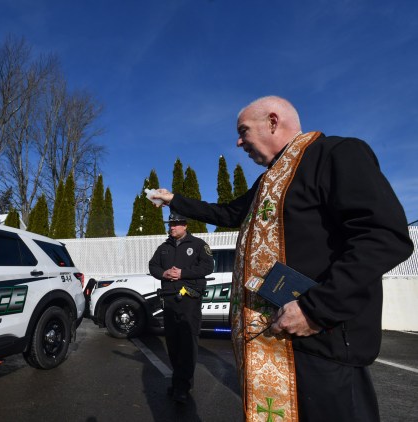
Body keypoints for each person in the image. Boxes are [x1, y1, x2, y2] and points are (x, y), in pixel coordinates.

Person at [150, 96, 414, 421]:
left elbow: (384, 236)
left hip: (320, 339)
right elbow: (229, 212)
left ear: (273, 121)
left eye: (243, 130)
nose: (238, 141)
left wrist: (315, 308)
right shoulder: (267, 182)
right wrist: (174, 199)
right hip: (276, 339)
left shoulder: (335, 153)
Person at [148, 212, 215, 404]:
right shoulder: (163, 248)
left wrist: (183, 273)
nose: (172, 227)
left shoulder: (198, 245)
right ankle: (179, 381)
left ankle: (182, 386)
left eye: (176, 224)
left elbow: (208, 267)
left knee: (187, 344)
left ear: (185, 225)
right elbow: (153, 266)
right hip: (169, 300)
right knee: (173, 344)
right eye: (170, 224)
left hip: (189, 301)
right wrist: (165, 273)